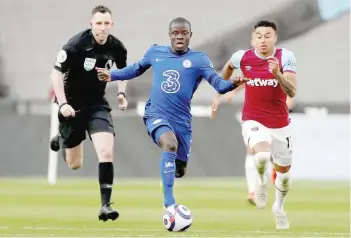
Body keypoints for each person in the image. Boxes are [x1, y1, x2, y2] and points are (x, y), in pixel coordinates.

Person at [96, 17, 245, 210]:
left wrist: (234, 83)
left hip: (182, 121)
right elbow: (136, 69)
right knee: (169, 144)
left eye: (184, 33)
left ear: (190, 35)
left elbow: (219, 85)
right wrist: (113, 75)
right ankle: (170, 204)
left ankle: (167, 179)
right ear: (170, 35)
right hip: (156, 113)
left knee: (179, 169)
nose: (180, 37)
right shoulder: (155, 52)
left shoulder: (199, 59)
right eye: (176, 33)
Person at [210, 20, 296, 229]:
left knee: (284, 177)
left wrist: (277, 74)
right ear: (253, 39)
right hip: (253, 119)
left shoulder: (286, 57)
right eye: (259, 36)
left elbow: (292, 92)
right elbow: (228, 68)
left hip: (280, 123)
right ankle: (260, 185)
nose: (263, 40)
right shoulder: (243, 57)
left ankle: (279, 208)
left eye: (268, 35)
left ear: (275, 38)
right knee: (261, 154)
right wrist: (222, 90)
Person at [49, 5, 128, 222]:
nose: (102, 28)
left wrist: (121, 94)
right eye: (98, 23)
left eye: (106, 23)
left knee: (106, 151)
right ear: (91, 24)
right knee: (75, 164)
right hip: (72, 106)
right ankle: (63, 138)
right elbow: (55, 76)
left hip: (97, 104)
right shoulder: (75, 45)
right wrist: (63, 104)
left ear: (112, 25)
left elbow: (122, 73)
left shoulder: (118, 48)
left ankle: (105, 205)